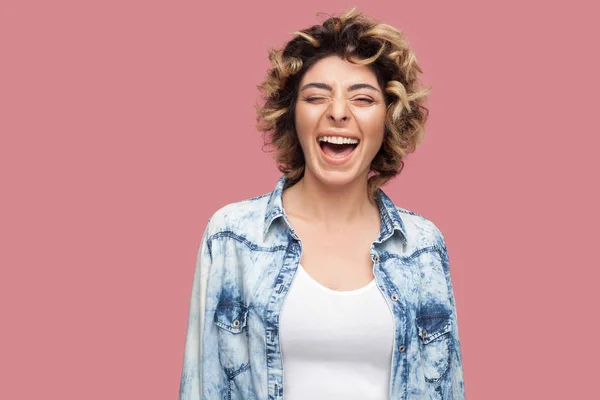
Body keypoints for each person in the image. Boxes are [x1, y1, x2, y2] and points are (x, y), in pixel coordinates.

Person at [179, 7, 465, 400]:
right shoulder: (232, 236)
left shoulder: (422, 247)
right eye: (316, 97)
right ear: (292, 115)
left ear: (388, 119)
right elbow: (201, 386)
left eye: (362, 98)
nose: (338, 112)